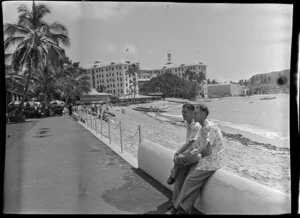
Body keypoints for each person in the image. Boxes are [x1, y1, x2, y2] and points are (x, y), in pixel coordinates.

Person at [169, 103, 225, 214]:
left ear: (203, 114)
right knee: (188, 176)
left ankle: (176, 206)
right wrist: (190, 154)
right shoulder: (203, 128)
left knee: (190, 179)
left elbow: (208, 151)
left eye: (196, 113)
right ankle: (184, 208)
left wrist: (193, 153)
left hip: (212, 161)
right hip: (206, 159)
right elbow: (197, 147)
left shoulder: (210, 128)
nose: (193, 115)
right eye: (193, 113)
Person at [166, 103, 201, 211]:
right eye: (182, 112)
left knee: (179, 158)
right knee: (180, 176)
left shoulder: (196, 126)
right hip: (190, 153)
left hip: (197, 154)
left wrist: (178, 153)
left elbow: (191, 143)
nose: (183, 114)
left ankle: (172, 174)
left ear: (192, 112)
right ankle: (174, 201)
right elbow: (188, 145)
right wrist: (180, 153)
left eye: (185, 112)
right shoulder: (188, 124)